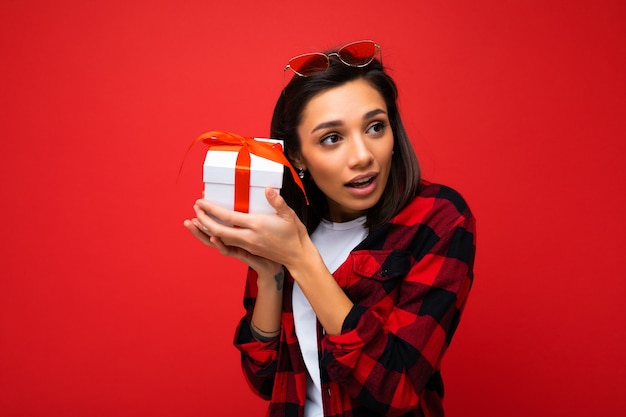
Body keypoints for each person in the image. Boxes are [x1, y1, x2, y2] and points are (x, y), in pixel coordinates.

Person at [184, 40, 476, 417]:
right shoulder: (284, 223)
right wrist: (271, 272)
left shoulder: (439, 217)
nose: (362, 156)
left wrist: (301, 259)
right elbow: (265, 379)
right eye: (332, 138)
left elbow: (396, 387)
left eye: (375, 127)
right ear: (297, 155)